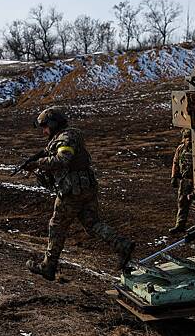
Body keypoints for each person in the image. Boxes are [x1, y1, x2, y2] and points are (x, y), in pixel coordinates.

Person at [22, 107, 135, 281]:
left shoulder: (66, 138)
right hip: (85, 188)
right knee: (92, 224)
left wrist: (38, 164)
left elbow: (62, 159)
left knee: (57, 226)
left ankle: (48, 266)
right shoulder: (69, 135)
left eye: (45, 127)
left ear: (53, 124)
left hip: (72, 191)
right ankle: (122, 245)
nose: (44, 131)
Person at [169, 128, 193, 234]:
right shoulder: (180, 149)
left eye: (190, 138)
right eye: (186, 138)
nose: (188, 140)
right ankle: (180, 224)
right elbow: (175, 162)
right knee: (182, 202)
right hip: (185, 180)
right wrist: (174, 177)